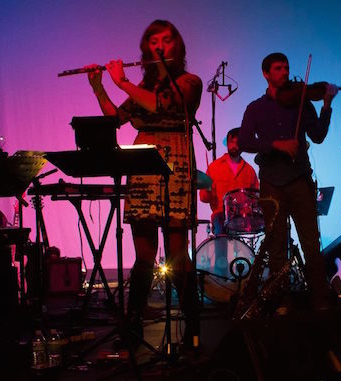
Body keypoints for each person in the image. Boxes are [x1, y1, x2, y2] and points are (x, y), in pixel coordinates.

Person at [86, 20, 202, 348]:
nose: (160, 45)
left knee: (177, 252)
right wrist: (99, 87)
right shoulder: (142, 86)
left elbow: (161, 104)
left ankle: (193, 329)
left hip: (176, 163)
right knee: (144, 255)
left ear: (177, 45)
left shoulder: (189, 81)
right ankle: (133, 328)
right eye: (154, 41)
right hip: (142, 163)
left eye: (166, 40)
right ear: (146, 48)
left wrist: (122, 81)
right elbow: (115, 118)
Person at [239, 52, 338, 311]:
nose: (284, 72)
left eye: (286, 68)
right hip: (271, 182)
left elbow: (318, 136)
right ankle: (281, 298)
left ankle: (319, 296)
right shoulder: (255, 108)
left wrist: (326, 105)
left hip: (299, 180)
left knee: (311, 241)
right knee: (276, 244)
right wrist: (276, 145)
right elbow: (244, 142)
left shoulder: (302, 102)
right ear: (266, 74)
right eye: (278, 68)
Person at [199, 127, 259, 235]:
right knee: (221, 233)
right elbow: (203, 198)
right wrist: (208, 189)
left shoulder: (249, 171)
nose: (234, 146)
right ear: (227, 143)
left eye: (238, 143)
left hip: (243, 218)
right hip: (220, 216)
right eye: (232, 142)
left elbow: (257, 199)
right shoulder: (214, 167)